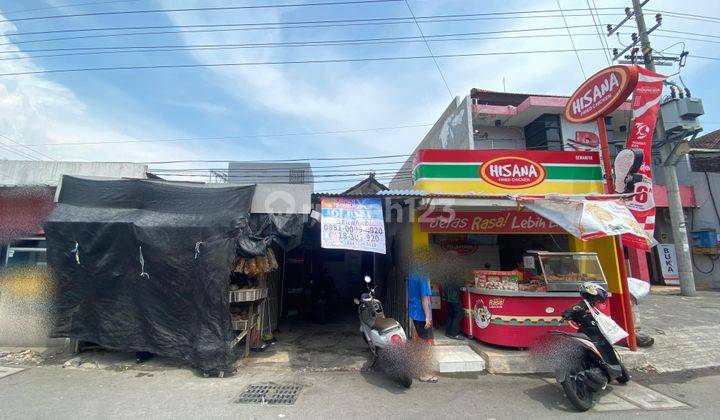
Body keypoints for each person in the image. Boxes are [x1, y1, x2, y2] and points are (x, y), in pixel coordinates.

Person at [408, 270, 438, 383]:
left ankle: (417, 368)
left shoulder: (412, 274)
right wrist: (427, 316)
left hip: (415, 311)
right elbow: (424, 298)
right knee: (424, 345)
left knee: (419, 342)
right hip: (421, 314)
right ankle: (424, 374)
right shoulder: (423, 276)